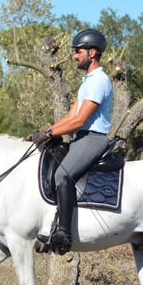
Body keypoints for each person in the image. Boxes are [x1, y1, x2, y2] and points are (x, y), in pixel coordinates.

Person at [28, 28, 114, 254]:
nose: (75, 56)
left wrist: (48, 133)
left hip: (93, 139)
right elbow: (70, 117)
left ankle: (64, 234)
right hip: (81, 137)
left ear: (92, 53)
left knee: (62, 174)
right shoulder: (87, 82)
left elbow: (80, 120)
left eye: (78, 51)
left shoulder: (99, 81)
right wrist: (47, 131)